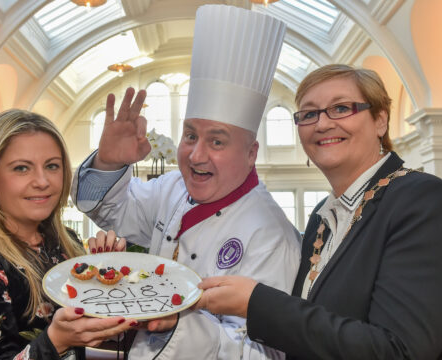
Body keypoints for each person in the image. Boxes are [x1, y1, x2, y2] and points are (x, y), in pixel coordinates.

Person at [196, 64, 442, 359]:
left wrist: (258, 304)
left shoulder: (423, 200)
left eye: (341, 108)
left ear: (380, 120)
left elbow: (398, 351)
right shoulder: (321, 216)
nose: (322, 124)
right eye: (309, 113)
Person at [72, 5, 301, 360]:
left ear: (251, 152)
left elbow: (269, 353)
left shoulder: (273, 238)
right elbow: (108, 208)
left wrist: (181, 320)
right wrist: (109, 161)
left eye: (218, 141)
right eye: (190, 135)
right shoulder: (172, 187)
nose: (195, 156)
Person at [0, 109, 133, 360]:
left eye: (51, 166)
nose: (42, 181)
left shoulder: (64, 242)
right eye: (21, 168)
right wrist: (56, 341)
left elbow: (99, 326)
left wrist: (111, 277)